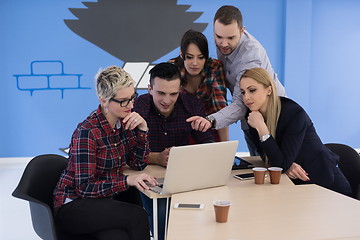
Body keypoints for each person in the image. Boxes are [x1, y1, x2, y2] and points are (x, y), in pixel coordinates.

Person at [53, 66, 158, 240]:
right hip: (74, 205)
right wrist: (126, 180)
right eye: (124, 101)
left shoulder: (125, 123)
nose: (131, 105)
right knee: (137, 215)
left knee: (118, 235)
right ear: (104, 101)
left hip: (102, 201)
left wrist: (143, 130)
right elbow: (84, 188)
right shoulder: (87, 132)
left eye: (132, 98)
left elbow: (138, 164)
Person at [187, 5, 286, 155]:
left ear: (242, 30)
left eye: (231, 38)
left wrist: (210, 120)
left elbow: (241, 103)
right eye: (219, 37)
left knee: (271, 165)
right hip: (249, 114)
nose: (224, 44)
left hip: (271, 116)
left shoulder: (251, 58)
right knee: (255, 162)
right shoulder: (225, 42)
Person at [133, 62, 214, 240]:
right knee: (162, 215)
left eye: (173, 94)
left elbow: (209, 145)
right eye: (161, 93)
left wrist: (185, 157)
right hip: (147, 178)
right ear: (150, 89)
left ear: (180, 91)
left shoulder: (192, 106)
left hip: (184, 178)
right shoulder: (138, 107)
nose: (167, 100)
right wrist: (157, 158)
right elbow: (126, 153)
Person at [240, 67, 351, 196]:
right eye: (243, 92)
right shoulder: (253, 115)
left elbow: (279, 165)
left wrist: (261, 128)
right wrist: (287, 164)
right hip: (295, 185)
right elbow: (270, 159)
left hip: (326, 187)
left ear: (269, 89)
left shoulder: (293, 113)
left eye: (252, 90)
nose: (246, 97)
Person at [171, 29, 229, 142]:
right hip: (180, 130)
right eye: (189, 57)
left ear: (206, 57)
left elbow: (221, 110)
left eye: (200, 57)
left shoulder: (214, 68)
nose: (195, 63)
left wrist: (226, 148)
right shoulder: (172, 69)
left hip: (209, 127)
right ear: (181, 54)